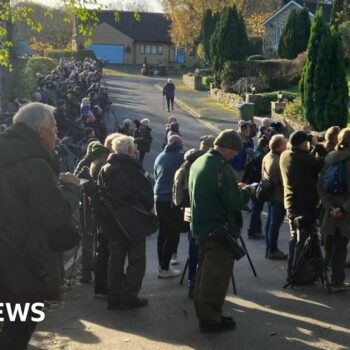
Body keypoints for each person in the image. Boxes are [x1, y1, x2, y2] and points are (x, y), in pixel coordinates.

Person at [0, 102, 80, 350]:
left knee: (9, 323)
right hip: (24, 265)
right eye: (55, 130)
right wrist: (70, 189)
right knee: (20, 327)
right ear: (42, 130)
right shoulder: (36, 164)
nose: (57, 136)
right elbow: (56, 215)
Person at [189, 129, 254, 333]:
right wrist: (246, 191)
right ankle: (210, 319)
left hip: (202, 227)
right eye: (234, 151)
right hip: (218, 230)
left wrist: (233, 187)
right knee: (215, 278)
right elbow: (233, 202)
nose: (235, 155)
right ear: (224, 147)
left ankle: (207, 314)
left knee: (203, 274)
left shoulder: (200, 161)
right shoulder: (220, 167)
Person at [98, 135, 154, 309]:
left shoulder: (105, 169)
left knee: (115, 260)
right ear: (130, 151)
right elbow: (147, 197)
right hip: (133, 222)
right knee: (137, 260)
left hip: (112, 222)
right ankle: (129, 295)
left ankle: (113, 296)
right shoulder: (134, 170)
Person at [280, 131, 324, 280]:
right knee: (302, 241)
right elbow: (322, 162)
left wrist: (311, 147)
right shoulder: (304, 159)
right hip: (304, 206)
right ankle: (297, 273)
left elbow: (306, 163)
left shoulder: (285, 155)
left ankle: (291, 271)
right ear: (302, 143)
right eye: (306, 142)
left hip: (290, 203)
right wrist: (317, 144)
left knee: (295, 238)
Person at [318, 128, 350, 291]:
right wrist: (343, 209)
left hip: (330, 208)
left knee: (329, 243)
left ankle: (323, 274)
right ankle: (337, 281)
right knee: (340, 246)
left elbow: (321, 186)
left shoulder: (330, 157)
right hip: (345, 210)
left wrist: (330, 207)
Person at [154, 135, 184, 278]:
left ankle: (162, 265)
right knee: (173, 233)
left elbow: (156, 174)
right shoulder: (180, 156)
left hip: (158, 197)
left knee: (162, 232)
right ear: (179, 144)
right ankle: (165, 267)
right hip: (170, 198)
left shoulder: (160, 155)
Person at [262, 135, 288, 259]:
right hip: (278, 197)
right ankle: (273, 249)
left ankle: (269, 247)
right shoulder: (279, 161)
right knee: (275, 225)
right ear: (278, 147)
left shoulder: (267, 156)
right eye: (284, 143)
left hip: (269, 194)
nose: (286, 145)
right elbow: (284, 181)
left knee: (270, 222)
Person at [245, 136, 270, 239]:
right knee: (257, 209)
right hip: (258, 185)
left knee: (256, 208)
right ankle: (252, 230)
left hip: (250, 182)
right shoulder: (262, 156)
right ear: (266, 146)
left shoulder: (253, 152)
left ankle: (257, 229)